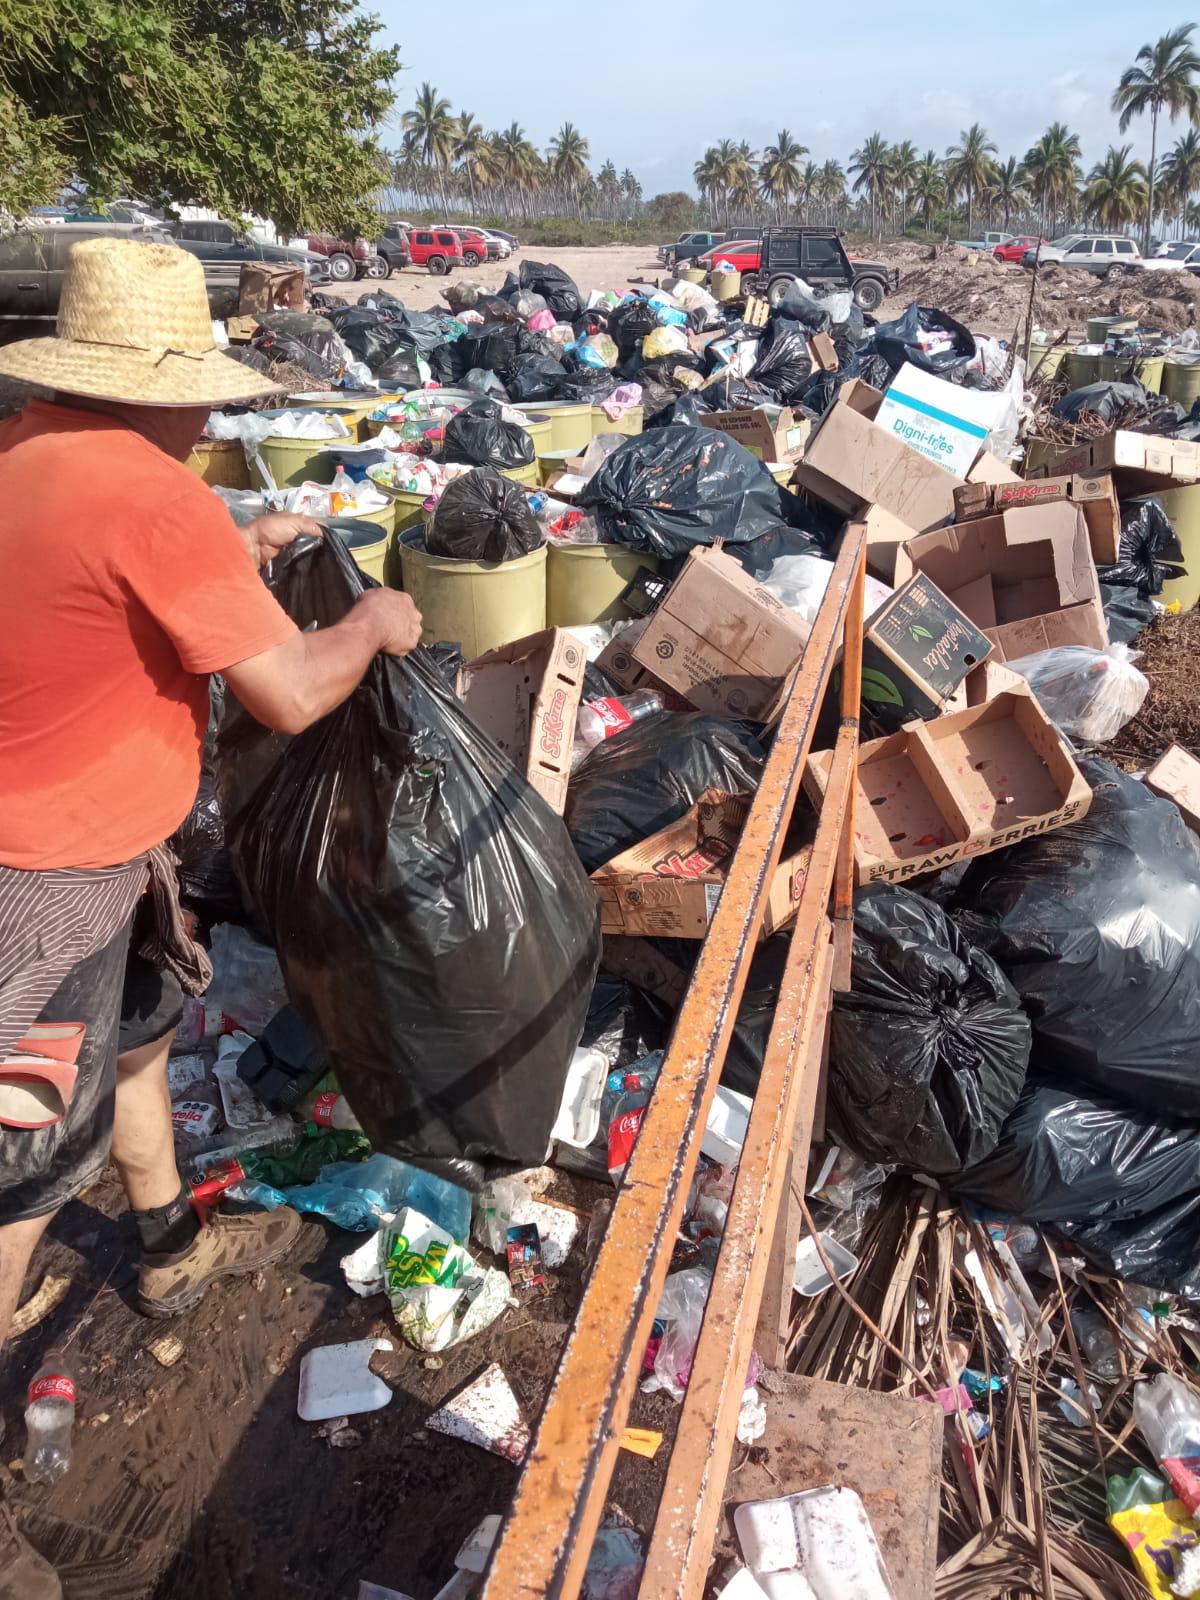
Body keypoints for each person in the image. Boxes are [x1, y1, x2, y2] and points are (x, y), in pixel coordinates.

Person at [0, 238, 422, 1598]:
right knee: (17, 1174)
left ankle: (170, 1252)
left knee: (138, 1047)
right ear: (169, 384)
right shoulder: (154, 496)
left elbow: (96, 591)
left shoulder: (28, 452)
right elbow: (289, 692)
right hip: (40, 888)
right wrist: (376, 625)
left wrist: (237, 552)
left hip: (98, 855)